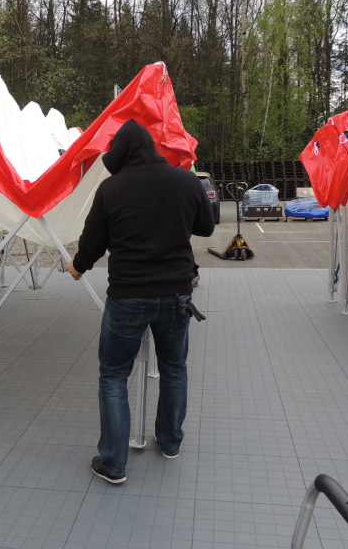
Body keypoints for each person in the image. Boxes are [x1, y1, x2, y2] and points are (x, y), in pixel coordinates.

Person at [65, 120, 214, 484]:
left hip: (128, 295)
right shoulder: (186, 181)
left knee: (115, 374)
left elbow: (92, 244)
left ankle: (114, 464)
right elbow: (206, 228)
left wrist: (78, 266)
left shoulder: (111, 189)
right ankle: (170, 442)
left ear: (122, 154)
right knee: (174, 368)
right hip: (178, 294)